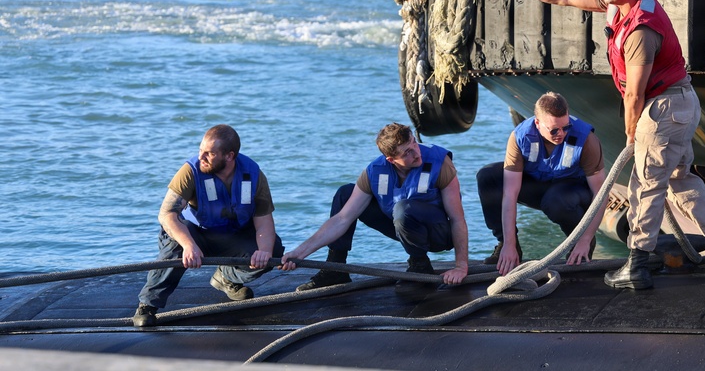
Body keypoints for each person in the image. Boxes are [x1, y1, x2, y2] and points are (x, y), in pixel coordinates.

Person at [484, 0, 705, 290]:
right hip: (676, 104)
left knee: (644, 184)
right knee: (679, 177)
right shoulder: (617, 1)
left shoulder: (641, 29)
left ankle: (637, 265)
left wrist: (630, 133)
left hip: (662, 107)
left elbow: (635, 94)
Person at [281, 122, 469, 292]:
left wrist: (461, 266)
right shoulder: (374, 171)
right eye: (407, 152)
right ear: (391, 160)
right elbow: (342, 219)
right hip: (403, 225)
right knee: (345, 194)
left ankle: (419, 264)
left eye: (414, 144)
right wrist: (299, 253)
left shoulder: (439, 162)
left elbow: (457, 219)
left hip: (439, 234)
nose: (416, 153)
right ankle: (335, 268)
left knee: (404, 208)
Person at [133, 125, 289, 327]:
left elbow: (264, 219)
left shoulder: (254, 174)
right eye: (200, 151)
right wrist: (189, 245)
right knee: (174, 244)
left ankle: (226, 277)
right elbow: (166, 214)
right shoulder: (190, 171)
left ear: (229, 156)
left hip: (232, 235)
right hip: (196, 233)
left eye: (210, 153)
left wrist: (265, 251)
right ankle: (147, 305)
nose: (201, 157)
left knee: (272, 249)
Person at [477, 92, 607, 275]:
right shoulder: (520, 137)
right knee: (487, 177)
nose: (560, 134)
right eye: (554, 130)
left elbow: (601, 195)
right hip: (539, 184)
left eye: (565, 127)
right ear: (537, 124)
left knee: (556, 200)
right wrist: (509, 244)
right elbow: (510, 194)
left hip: (572, 191)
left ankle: (579, 242)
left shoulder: (586, 139)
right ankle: (505, 247)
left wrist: (585, 239)